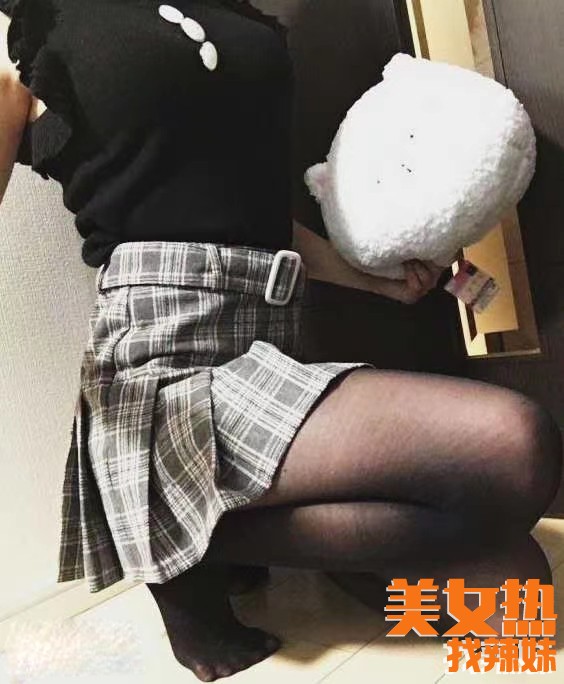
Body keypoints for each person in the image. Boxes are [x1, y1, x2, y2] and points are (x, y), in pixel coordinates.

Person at [1, 2, 561, 682]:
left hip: (273, 342)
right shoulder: (36, 25)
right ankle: (173, 541)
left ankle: (202, 530)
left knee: (515, 597)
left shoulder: (233, 13)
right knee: (514, 448)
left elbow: (252, 217)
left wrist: (376, 283)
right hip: (163, 368)